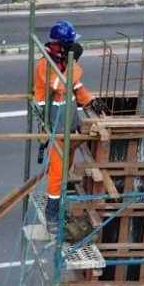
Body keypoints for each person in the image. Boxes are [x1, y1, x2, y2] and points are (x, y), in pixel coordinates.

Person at [33, 20, 102, 230]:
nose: (73, 46)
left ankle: (60, 209)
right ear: (62, 45)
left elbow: (76, 87)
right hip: (56, 127)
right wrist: (74, 64)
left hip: (68, 126)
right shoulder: (46, 65)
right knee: (57, 173)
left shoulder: (62, 63)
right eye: (70, 43)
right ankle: (52, 216)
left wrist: (90, 100)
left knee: (66, 170)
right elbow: (61, 85)